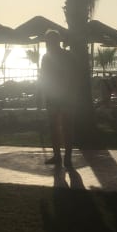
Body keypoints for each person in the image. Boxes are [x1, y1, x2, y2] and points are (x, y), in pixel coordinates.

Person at [40, 30, 75, 168]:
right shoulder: (47, 57)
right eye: (47, 41)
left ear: (56, 41)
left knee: (65, 127)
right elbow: (43, 76)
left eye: (48, 41)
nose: (47, 44)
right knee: (55, 127)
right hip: (55, 96)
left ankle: (66, 158)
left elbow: (72, 76)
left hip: (63, 96)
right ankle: (59, 156)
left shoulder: (66, 56)